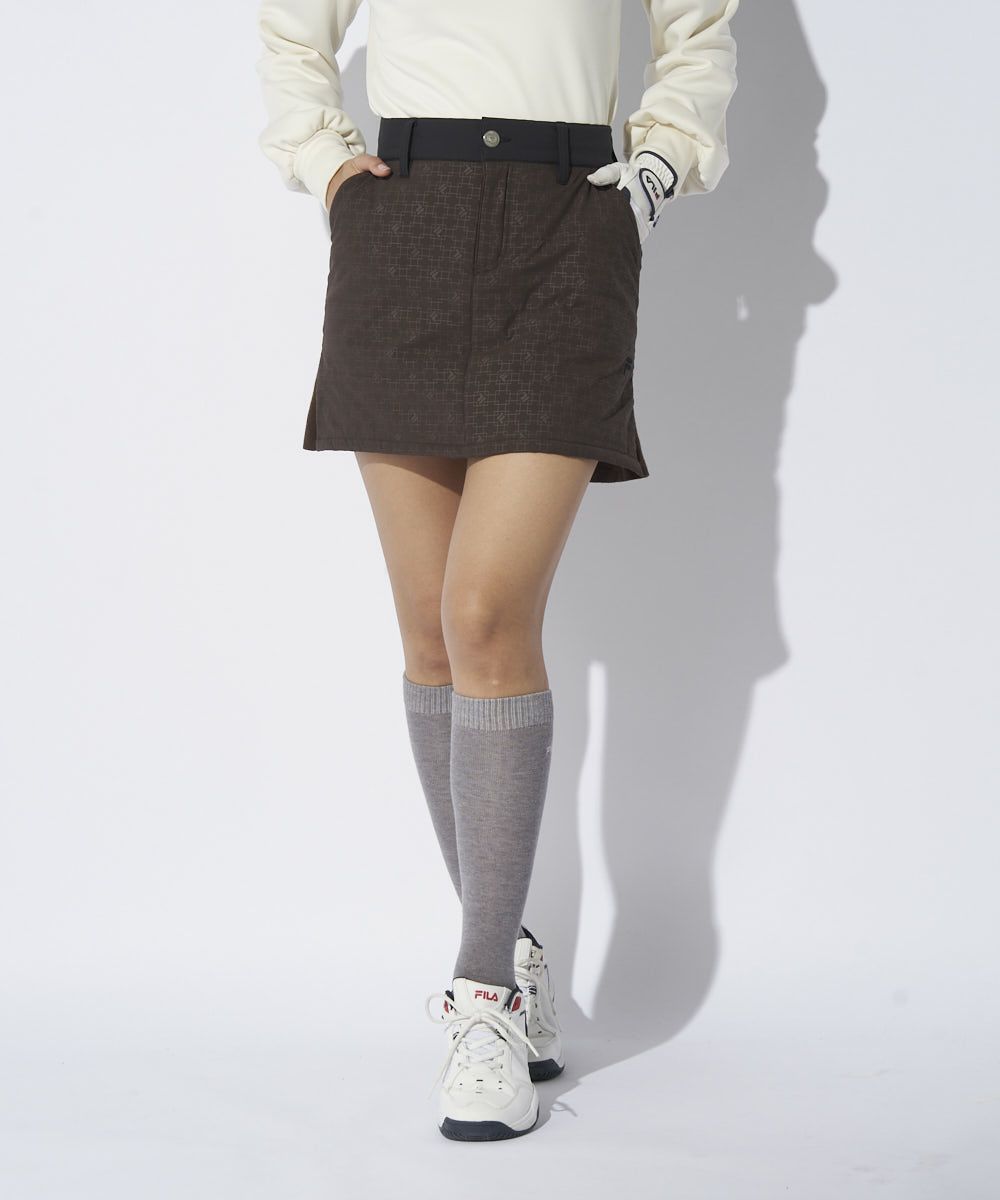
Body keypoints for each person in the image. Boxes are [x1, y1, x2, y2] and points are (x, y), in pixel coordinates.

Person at [256, 0, 740, 1142]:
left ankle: (479, 996)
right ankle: (511, 959)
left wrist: (654, 172)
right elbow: (290, 29)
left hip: (567, 222)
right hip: (401, 220)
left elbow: (699, 32)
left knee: (485, 614)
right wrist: (326, 166)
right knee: (431, 632)